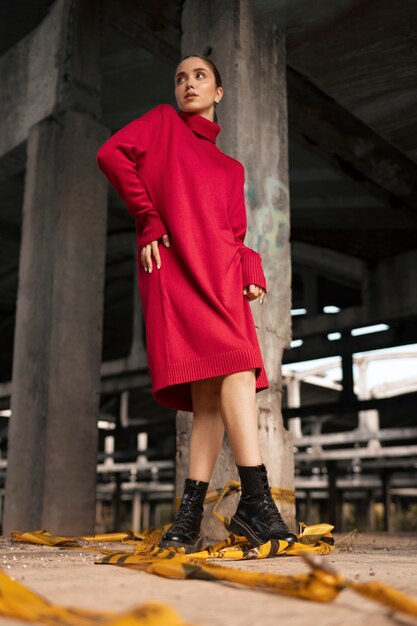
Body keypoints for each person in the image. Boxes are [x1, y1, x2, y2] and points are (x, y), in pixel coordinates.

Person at [96, 53, 297, 552]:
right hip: (176, 269)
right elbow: (110, 154)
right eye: (181, 77)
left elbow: (231, 233)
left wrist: (249, 261)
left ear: (218, 92)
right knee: (221, 381)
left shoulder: (232, 169)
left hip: (221, 275)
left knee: (221, 386)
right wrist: (148, 218)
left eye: (200, 76)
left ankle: (189, 520)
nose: (189, 83)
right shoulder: (162, 124)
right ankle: (255, 501)